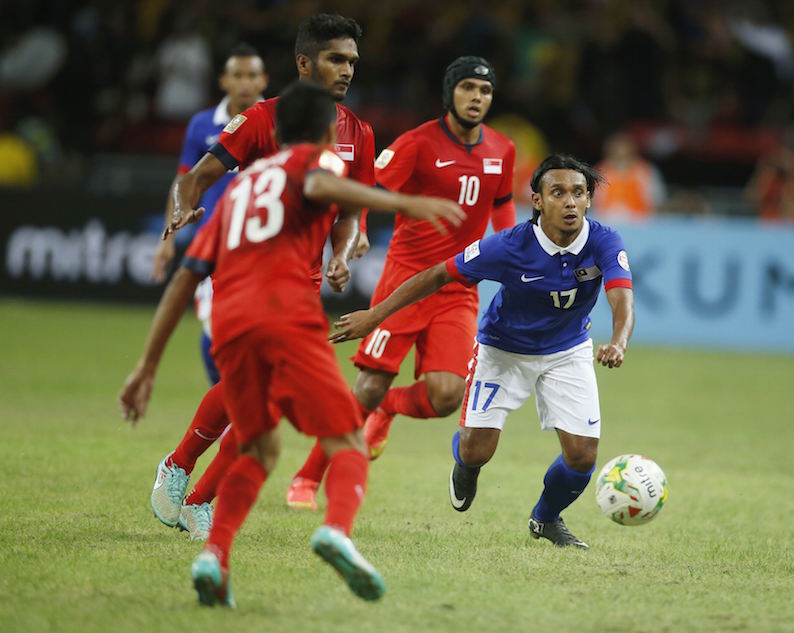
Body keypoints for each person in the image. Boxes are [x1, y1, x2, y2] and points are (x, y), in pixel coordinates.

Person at [118, 81, 465, 606]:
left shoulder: (241, 187)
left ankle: (213, 552)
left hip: (232, 321)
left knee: (261, 445)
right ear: (328, 130)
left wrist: (146, 366)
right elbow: (326, 190)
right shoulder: (317, 161)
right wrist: (401, 202)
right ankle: (336, 530)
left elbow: (186, 277)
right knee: (347, 438)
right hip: (287, 313)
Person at [330, 154, 635, 549]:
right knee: (477, 449)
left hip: (568, 350)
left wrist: (619, 341)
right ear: (537, 201)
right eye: (558, 192)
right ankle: (466, 464)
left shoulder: (604, 240)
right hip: (502, 350)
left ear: (589, 199)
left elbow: (622, 298)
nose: (570, 202)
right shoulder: (508, 246)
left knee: (581, 456)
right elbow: (439, 274)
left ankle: (545, 519)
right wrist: (375, 315)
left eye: (579, 192)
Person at [147, 14, 376, 539]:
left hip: (302, 280)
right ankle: (188, 478)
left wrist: (341, 254)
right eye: (336, 59)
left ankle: (188, 480)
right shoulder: (260, 119)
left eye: (352, 62)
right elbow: (197, 176)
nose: (346, 70)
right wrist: (185, 208)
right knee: (262, 388)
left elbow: (348, 216)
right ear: (303, 62)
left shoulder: (358, 134)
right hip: (244, 270)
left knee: (258, 392)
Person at [285, 55, 518, 510]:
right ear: (450, 92)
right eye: (468, 88)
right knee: (368, 385)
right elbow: (371, 189)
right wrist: (362, 229)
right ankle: (307, 478)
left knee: (448, 397)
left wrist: (510, 250)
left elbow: (503, 207)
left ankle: (389, 409)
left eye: (485, 91)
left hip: (456, 289)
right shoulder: (416, 143)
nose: (476, 98)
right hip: (404, 283)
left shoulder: (503, 150)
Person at [151, 43, 268, 386]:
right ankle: (228, 404)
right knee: (216, 328)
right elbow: (184, 179)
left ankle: (240, 409)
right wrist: (168, 237)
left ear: (264, 80)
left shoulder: (279, 122)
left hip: (264, 242)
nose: (245, 83)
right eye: (238, 75)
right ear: (223, 81)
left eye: (252, 75)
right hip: (215, 243)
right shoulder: (202, 125)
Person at [592, 132, 666, 221]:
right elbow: (591, 202)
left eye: (625, 154)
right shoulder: (599, 172)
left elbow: (657, 201)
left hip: (641, 222)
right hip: (606, 223)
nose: (621, 159)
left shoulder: (646, 171)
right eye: (617, 154)